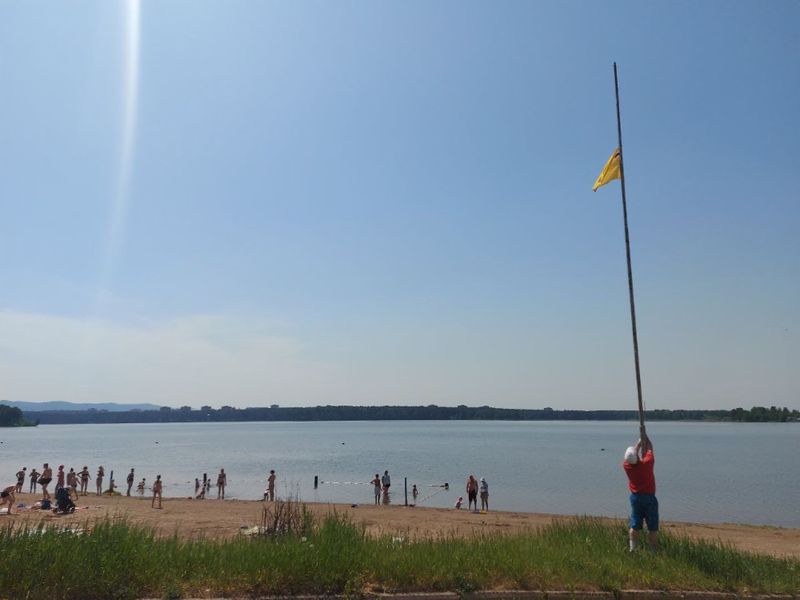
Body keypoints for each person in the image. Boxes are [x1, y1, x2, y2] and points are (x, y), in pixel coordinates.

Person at [623, 436, 659, 552]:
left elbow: (632, 455)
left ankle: (632, 549)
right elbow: (650, 449)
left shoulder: (627, 466)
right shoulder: (647, 464)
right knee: (652, 527)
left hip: (635, 498)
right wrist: (644, 438)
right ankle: (653, 551)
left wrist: (638, 444)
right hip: (649, 498)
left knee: (635, 524)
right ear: (638, 457)